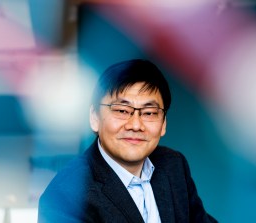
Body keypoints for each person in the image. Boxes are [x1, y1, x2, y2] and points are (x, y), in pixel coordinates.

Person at [38, 59, 217, 223]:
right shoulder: (65, 195)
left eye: (149, 113)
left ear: (163, 124)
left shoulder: (173, 166)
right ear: (95, 118)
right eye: (122, 111)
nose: (136, 125)